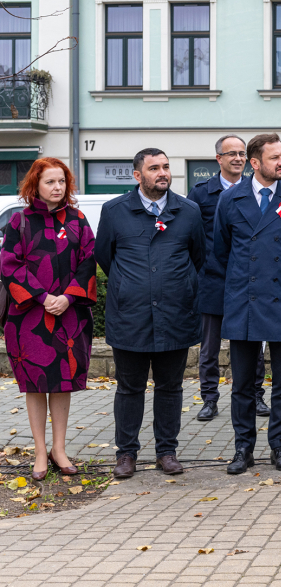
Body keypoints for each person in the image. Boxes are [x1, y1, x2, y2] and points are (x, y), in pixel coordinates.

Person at [95, 149, 206, 479]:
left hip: (176, 314)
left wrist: (176, 285)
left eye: (166, 167)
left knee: (171, 387)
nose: (162, 172)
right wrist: (132, 286)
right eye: (154, 167)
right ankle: (126, 453)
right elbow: (105, 257)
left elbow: (197, 257)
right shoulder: (114, 211)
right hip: (130, 317)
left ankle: (166, 451)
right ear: (137, 175)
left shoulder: (188, 211)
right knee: (129, 387)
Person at [213, 133, 281, 474]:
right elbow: (221, 250)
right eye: (275, 158)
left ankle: (279, 447)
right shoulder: (230, 200)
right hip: (245, 300)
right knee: (242, 383)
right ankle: (243, 449)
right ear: (255, 163)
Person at [1, 159, 96, 481]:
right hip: (29, 315)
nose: (57, 188)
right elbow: (9, 265)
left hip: (70, 314)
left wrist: (68, 296)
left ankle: (59, 448)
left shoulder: (78, 219)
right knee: (35, 383)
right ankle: (40, 451)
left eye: (62, 182)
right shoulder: (18, 221)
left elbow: (88, 261)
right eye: (50, 182)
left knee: (61, 383)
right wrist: (43, 297)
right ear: (35, 186)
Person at [187, 135, 269, 422]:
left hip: (249, 281)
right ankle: (209, 399)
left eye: (242, 153)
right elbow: (191, 238)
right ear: (218, 159)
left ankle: (255, 395)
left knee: (252, 343)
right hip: (213, 280)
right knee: (209, 347)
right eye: (230, 153)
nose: (237, 158)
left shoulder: (257, 190)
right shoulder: (200, 194)